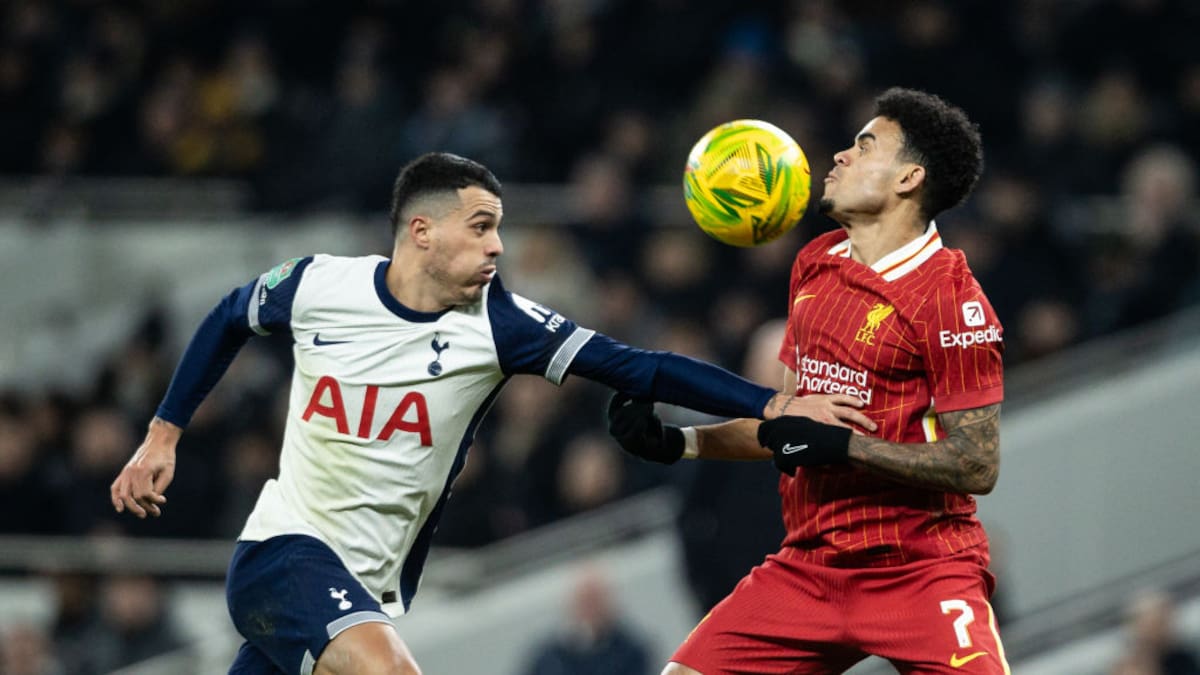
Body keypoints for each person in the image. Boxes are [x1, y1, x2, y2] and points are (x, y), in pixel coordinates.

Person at [109, 151, 813, 675]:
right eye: (480, 228)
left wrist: (772, 404)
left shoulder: (501, 326)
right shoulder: (320, 284)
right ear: (422, 231)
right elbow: (232, 314)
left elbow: (645, 367)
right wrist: (162, 433)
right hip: (282, 554)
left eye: (499, 229)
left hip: (364, 591)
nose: (497, 246)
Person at [608, 88, 1010, 674]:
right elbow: (790, 423)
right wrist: (679, 443)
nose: (841, 156)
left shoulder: (953, 301)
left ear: (908, 179)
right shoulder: (816, 265)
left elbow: (978, 465)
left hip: (920, 569)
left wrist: (847, 447)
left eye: (865, 145)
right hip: (811, 567)